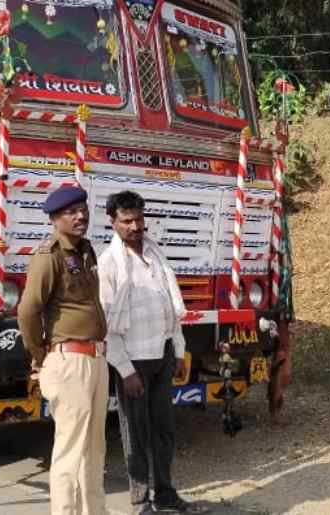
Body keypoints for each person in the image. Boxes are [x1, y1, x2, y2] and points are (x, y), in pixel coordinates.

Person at [98, 190, 207, 514]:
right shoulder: (109, 263)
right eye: (126, 221)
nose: (134, 226)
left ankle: (165, 493)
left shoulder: (155, 253)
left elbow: (170, 308)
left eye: (138, 219)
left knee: (164, 430)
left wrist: (178, 351)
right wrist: (125, 370)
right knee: (136, 434)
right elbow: (106, 324)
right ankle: (140, 501)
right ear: (113, 223)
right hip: (133, 362)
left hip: (162, 356)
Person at [16, 185, 109, 515]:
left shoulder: (87, 251)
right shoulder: (49, 256)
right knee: (70, 452)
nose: (81, 216)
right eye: (72, 212)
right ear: (55, 218)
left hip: (96, 358)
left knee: (95, 450)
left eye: (83, 210)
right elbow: (28, 311)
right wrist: (41, 356)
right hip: (69, 361)